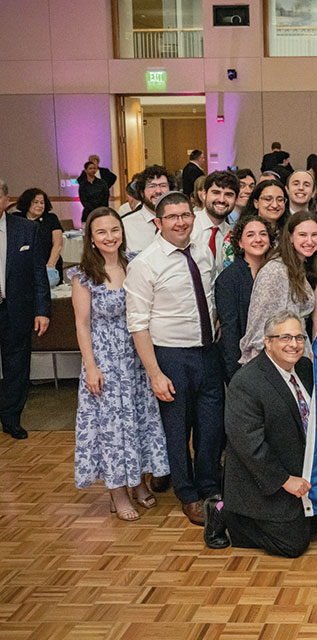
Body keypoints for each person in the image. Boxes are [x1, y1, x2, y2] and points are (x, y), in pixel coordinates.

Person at [124, 191, 223, 526]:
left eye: (185, 215)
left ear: (193, 218)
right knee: (177, 431)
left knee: (210, 427)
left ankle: (209, 486)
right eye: (172, 217)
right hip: (171, 358)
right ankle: (188, 494)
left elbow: (207, 297)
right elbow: (137, 324)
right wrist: (154, 373)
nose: (181, 222)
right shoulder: (145, 264)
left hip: (208, 353)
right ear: (158, 222)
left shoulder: (202, 254)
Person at [69, 207, 168, 521]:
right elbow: (82, 325)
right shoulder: (83, 275)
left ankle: (137, 482)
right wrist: (91, 366)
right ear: (92, 238)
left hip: (136, 356)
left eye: (114, 230)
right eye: (101, 232)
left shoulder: (135, 262)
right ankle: (117, 491)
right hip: (105, 360)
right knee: (113, 429)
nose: (109, 237)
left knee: (137, 422)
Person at [203, 311, 314, 558]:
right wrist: (285, 480)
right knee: (293, 545)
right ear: (267, 342)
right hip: (261, 479)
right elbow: (250, 446)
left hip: (299, 469)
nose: (294, 344)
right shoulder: (246, 383)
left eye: (299, 337)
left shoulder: (304, 368)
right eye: (285, 337)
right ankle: (225, 511)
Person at [0, 178, 51, 439]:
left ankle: (10, 418)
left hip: (15, 309)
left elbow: (38, 273)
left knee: (17, 366)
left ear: (6, 200)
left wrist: (42, 310)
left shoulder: (25, 229)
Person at [240, 211, 317, 363]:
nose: (309, 240)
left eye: (314, 235)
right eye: (302, 235)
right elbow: (259, 327)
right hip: (273, 362)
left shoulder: (299, 267)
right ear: (290, 237)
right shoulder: (276, 270)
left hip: (294, 355)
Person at [216, 216, 271, 381]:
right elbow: (230, 332)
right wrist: (236, 376)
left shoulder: (277, 272)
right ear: (239, 243)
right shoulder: (228, 279)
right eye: (250, 235)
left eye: (263, 234)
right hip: (244, 365)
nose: (258, 239)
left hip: (275, 357)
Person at [223, 178, 290, 269]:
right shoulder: (235, 236)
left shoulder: (291, 235)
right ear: (256, 203)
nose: (275, 205)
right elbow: (229, 275)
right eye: (268, 199)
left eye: (280, 199)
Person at [190, 171, 238, 275]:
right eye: (216, 192)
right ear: (203, 195)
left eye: (228, 195)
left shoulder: (234, 236)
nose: (222, 199)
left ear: (236, 199)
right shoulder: (186, 226)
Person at [15, 188, 63, 285]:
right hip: (23, 265)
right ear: (27, 203)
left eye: (42, 203)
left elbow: (58, 244)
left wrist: (50, 265)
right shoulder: (17, 218)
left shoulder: (51, 218)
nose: (40, 205)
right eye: (35, 202)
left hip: (48, 262)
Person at [125, 166, 174, 252]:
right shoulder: (126, 226)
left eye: (163, 186)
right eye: (152, 186)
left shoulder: (181, 222)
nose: (158, 191)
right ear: (141, 192)